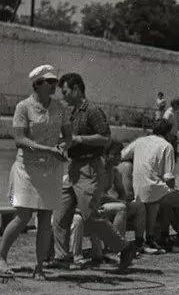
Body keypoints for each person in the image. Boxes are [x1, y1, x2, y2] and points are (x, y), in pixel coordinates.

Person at [51, 73, 136, 271]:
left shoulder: (92, 110)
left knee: (89, 215)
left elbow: (106, 138)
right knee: (60, 214)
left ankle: (124, 248)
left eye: (65, 92)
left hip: (90, 168)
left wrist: (80, 139)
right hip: (74, 168)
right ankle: (62, 256)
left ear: (76, 89)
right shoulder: (72, 113)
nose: (63, 96)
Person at [0, 65, 71, 277]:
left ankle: (39, 267)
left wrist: (63, 147)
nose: (54, 85)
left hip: (51, 169)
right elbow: (19, 140)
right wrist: (48, 149)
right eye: (50, 82)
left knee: (46, 219)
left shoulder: (60, 108)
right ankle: (0, 257)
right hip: (27, 169)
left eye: (55, 81)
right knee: (23, 216)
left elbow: (68, 136)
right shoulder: (23, 107)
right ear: (37, 84)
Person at [121, 118, 179, 252]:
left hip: (139, 188)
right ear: (167, 132)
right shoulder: (167, 146)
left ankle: (151, 238)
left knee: (157, 203)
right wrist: (172, 190)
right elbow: (169, 177)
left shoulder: (140, 141)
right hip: (156, 189)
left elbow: (123, 155)